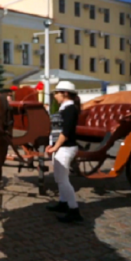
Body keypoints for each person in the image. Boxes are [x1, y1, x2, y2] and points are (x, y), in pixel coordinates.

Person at [46, 81, 83, 224]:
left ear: (65, 93)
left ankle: (74, 210)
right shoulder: (64, 108)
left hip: (66, 148)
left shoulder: (70, 109)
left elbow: (65, 132)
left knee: (63, 180)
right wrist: (52, 146)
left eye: (57, 92)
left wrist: (55, 147)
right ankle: (63, 203)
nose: (55, 95)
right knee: (59, 178)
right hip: (60, 147)